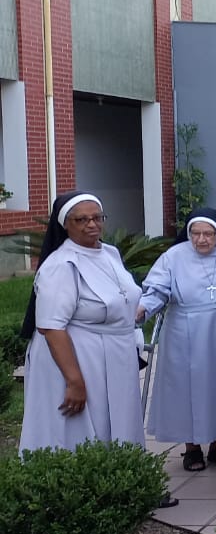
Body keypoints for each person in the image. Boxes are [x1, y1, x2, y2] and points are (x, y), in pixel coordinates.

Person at [20, 192, 145, 452]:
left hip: (116, 353)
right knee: (88, 427)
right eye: (82, 219)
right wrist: (74, 381)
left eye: (97, 218)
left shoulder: (110, 253)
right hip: (80, 356)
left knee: (121, 423)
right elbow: (51, 328)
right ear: (65, 224)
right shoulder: (61, 265)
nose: (92, 224)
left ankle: (125, 486)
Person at [137, 208, 216, 471]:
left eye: (208, 234)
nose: (202, 240)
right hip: (183, 330)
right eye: (196, 233)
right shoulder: (173, 256)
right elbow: (157, 290)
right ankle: (191, 448)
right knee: (185, 388)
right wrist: (142, 309)